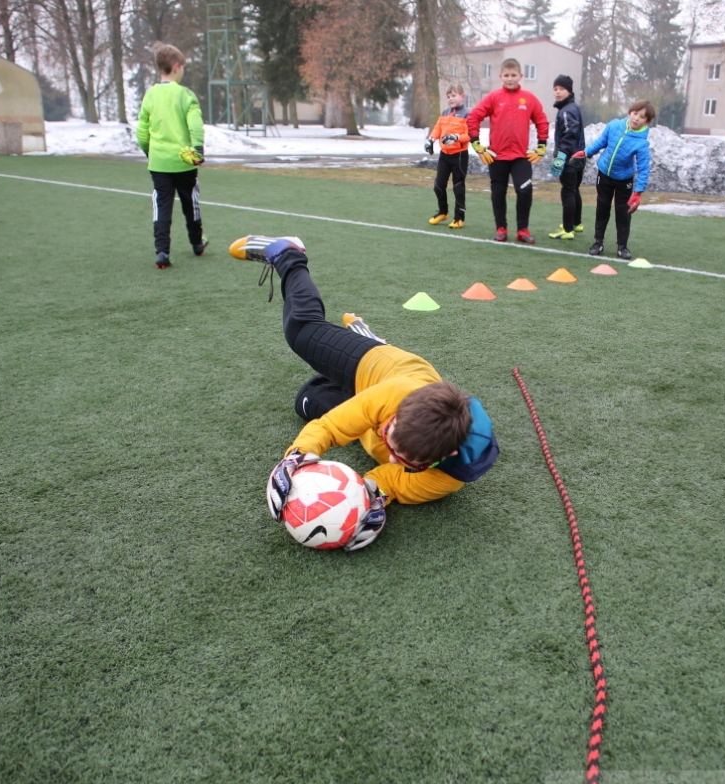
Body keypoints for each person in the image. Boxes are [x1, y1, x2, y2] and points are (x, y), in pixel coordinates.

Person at [229, 234, 500, 551]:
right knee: (302, 332)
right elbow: (330, 428)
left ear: (441, 458)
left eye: (404, 459)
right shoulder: (397, 393)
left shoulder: (452, 476)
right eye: (389, 433)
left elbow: (390, 480)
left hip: (379, 404)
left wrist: (368, 499)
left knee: (307, 399)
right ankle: (289, 254)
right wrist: (296, 457)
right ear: (397, 413)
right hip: (379, 368)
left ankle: (365, 336)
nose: (391, 453)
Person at [136, 42, 206, 269]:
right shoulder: (185, 94)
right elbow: (195, 124)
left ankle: (163, 252)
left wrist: (150, 151)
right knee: (190, 202)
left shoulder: (150, 95)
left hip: (159, 163)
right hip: (184, 161)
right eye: (183, 66)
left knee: (162, 205)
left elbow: (142, 130)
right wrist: (198, 149)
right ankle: (197, 243)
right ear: (176, 66)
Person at [466, 59, 550, 244]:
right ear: (501, 76)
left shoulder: (528, 98)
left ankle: (522, 229)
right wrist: (477, 145)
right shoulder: (493, 97)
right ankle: (501, 228)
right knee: (498, 192)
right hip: (497, 156)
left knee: (525, 190)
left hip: (521, 156)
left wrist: (542, 145)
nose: (510, 79)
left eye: (513, 75)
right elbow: (473, 118)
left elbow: (542, 121)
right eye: (506, 75)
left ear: (520, 76)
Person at [573, 100, 654, 261]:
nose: (637, 118)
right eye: (635, 113)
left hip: (624, 180)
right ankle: (598, 242)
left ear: (647, 121)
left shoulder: (641, 143)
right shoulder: (614, 126)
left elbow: (643, 169)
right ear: (629, 113)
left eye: (642, 116)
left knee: (623, 213)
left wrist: (638, 193)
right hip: (604, 174)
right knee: (602, 208)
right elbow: (601, 142)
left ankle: (622, 246)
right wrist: (586, 152)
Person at [425, 83, 471, 229]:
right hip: (444, 155)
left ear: (462, 97)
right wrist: (431, 139)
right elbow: (438, 128)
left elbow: (470, 135)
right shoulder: (444, 113)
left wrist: (456, 137)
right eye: (448, 96)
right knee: (438, 185)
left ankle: (459, 218)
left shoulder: (467, 114)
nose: (451, 99)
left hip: (459, 156)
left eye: (454, 95)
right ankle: (443, 212)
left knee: (458, 186)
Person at [547, 74, 586, 241]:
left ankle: (568, 229)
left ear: (569, 91)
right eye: (555, 89)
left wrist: (561, 156)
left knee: (568, 191)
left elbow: (570, 134)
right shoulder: (572, 107)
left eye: (561, 89)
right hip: (578, 157)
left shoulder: (566, 110)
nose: (557, 92)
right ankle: (576, 223)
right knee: (574, 190)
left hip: (570, 158)